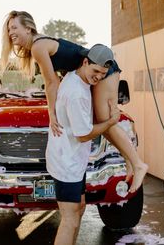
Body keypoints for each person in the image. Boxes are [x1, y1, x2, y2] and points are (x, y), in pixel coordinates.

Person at [0, 10, 148, 192]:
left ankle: (138, 164)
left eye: (14, 27)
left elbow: (51, 82)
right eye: (8, 29)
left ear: (28, 28)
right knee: (101, 121)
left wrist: (52, 114)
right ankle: (130, 160)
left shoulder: (38, 47)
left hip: (101, 69)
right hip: (95, 69)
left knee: (104, 119)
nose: (10, 32)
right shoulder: (39, 44)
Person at [46, 44, 120, 245]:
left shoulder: (75, 76)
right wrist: (111, 122)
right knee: (69, 219)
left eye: (102, 74)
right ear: (85, 62)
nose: (98, 77)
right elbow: (84, 135)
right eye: (95, 71)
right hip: (67, 164)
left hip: (74, 160)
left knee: (80, 207)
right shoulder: (76, 93)